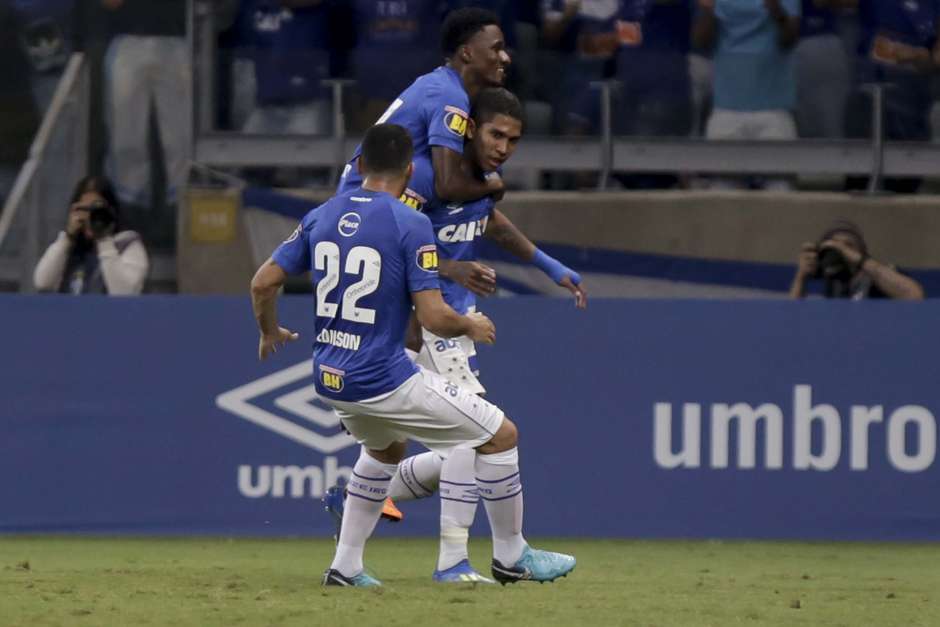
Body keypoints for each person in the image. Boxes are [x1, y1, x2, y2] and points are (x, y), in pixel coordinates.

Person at [249, 123, 577, 587]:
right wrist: (471, 324)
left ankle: (345, 566)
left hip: (330, 376)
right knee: (501, 436)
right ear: (408, 171)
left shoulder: (320, 215)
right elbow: (434, 316)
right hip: (385, 379)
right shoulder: (410, 223)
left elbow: (262, 282)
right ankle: (511, 555)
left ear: (359, 165)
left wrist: (269, 331)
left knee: (386, 451)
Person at [365, 87, 587, 584]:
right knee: (479, 431)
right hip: (423, 319)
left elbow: (489, 222)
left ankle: (365, 493)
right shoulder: (422, 177)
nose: (504, 146)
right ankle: (461, 561)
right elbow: (384, 242)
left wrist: (550, 266)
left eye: (513, 139)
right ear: (468, 129)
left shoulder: (479, 183)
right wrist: (453, 269)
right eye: (495, 134)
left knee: (460, 443)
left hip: (453, 321)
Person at [337, 7, 511, 209]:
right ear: (466, 52)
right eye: (496, 48)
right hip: (364, 205)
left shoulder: (443, 85)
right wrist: (491, 186)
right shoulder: (449, 94)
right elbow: (448, 186)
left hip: (365, 203)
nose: (506, 58)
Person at [693, 0, 801, 189]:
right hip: (726, 109)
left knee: (781, 191)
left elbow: (790, 38)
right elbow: (700, 41)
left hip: (774, 111)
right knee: (721, 195)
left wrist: (777, 12)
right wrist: (708, 10)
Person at [33, 175, 149, 294]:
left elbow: (124, 292)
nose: (89, 217)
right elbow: (43, 282)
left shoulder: (127, 243)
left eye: (96, 210)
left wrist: (104, 240)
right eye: (84, 210)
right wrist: (67, 238)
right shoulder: (68, 247)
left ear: (111, 211)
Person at [789, 220, 924, 300]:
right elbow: (791, 317)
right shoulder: (829, 278)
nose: (841, 251)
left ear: (861, 252)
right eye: (834, 245)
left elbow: (914, 296)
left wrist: (859, 260)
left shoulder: (878, 275)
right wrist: (801, 277)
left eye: (849, 245)